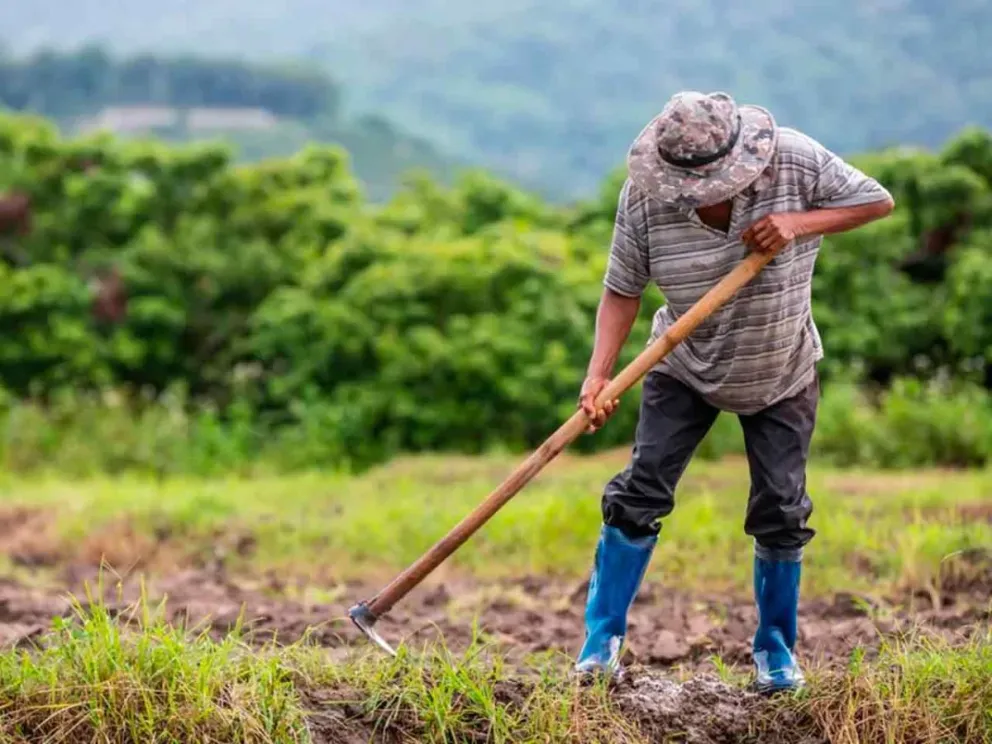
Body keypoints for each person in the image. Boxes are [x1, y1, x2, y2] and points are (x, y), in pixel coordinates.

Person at [574, 91, 894, 693]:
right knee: (640, 491)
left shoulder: (795, 161)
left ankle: (775, 654)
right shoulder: (646, 197)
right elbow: (622, 289)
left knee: (780, 508)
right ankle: (600, 645)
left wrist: (797, 224)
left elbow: (876, 200)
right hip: (683, 362)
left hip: (782, 366)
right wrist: (599, 374)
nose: (698, 197)